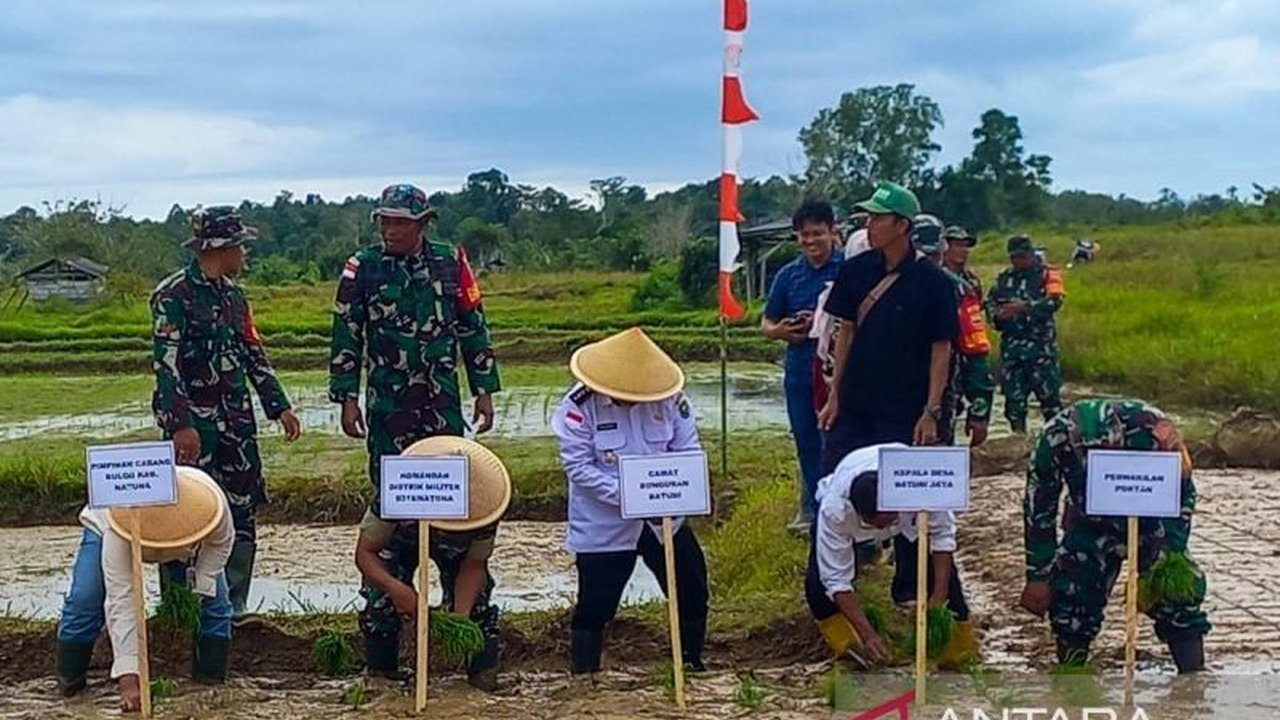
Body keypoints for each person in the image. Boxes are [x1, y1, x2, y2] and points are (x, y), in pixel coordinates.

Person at [329, 183, 503, 680]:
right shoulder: (362, 267)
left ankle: (471, 645)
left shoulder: (453, 262)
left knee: (458, 521)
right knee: (392, 526)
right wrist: (346, 396)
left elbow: (474, 325)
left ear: (424, 223)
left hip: (442, 411)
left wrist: (484, 388)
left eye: (400, 222)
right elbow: (346, 332)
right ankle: (384, 668)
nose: (389, 229)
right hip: (388, 416)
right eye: (384, 221)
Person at [150, 206, 302, 618]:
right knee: (184, 515)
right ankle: (180, 608)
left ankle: (231, 607)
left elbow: (254, 354)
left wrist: (280, 406)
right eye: (242, 247)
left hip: (236, 425)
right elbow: (166, 365)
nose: (246, 256)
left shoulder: (234, 296)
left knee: (241, 510)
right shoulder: (173, 295)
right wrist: (180, 426)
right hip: (194, 428)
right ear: (222, 247)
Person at [550, 327, 710, 674]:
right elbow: (579, 467)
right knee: (596, 604)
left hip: (665, 516)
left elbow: (687, 449)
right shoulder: (577, 408)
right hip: (605, 520)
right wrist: (632, 497)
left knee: (692, 589)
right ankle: (585, 678)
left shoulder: (670, 399)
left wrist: (670, 494)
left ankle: (691, 665)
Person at [1020, 399, 1209, 672]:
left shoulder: (1154, 428)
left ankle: (1193, 679)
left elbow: (1184, 490)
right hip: (1088, 522)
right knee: (1071, 599)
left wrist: (1171, 552)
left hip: (1150, 516)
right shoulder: (1054, 437)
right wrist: (1038, 574)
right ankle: (1072, 678)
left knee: (1177, 593)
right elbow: (1039, 508)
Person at [57, 467, 234, 712]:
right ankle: (71, 686)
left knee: (216, 605)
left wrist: (201, 588)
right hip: (113, 529)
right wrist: (130, 680)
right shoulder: (115, 525)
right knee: (84, 600)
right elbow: (122, 599)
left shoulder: (211, 506)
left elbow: (220, 546)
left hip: (189, 543)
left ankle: (210, 685)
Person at [818, 182, 957, 469]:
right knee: (839, 485)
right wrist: (834, 395)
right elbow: (846, 332)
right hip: (854, 405)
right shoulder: (855, 270)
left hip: (904, 409)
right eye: (868, 218)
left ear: (902, 225)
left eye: (879, 218)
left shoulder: (935, 283)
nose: (870, 225)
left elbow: (941, 350)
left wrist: (931, 412)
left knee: (897, 498)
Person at [353, 436, 509, 690]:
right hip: (400, 542)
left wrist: (460, 619)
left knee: (477, 605)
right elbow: (365, 554)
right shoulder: (397, 490)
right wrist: (397, 589)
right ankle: (382, 672)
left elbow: (473, 565)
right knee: (380, 597)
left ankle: (482, 674)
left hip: (457, 549)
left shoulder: (486, 508)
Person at [805, 443, 977, 669]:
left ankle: (957, 653)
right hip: (847, 492)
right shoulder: (835, 512)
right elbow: (836, 580)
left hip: (910, 504)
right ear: (862, 516)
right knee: (817, 588)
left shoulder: (919, 485)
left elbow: (943, 536)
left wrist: (938, 596)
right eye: (880, 523)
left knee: (945, 587)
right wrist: (868, 635)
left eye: (892, 518)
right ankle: (853, 650)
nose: (888, 525)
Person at [761, 200, 843, 530]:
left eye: (817, 234)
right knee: (806, 442)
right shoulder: (788, 275)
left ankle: (844, 512)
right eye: (804, 236)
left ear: (832, 232)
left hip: (838, 372)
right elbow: (766, 322)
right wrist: (781, 331)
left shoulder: (850, 268)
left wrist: (824, 323)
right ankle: (817, 509)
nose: (810, 242)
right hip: (798, 369)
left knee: (836, 442)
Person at [919, 226, 995, 447]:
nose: (963, 250)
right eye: (957, 244)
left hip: (941, 392)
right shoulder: (890, 280)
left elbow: (975, 348)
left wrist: (980, 409)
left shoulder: (964, 288)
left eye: (965, 245)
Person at [984, 235, 1065, 434]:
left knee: (1051, 403)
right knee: (1014, 404)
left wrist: (1024, 308)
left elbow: (1055, 301)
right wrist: (998, 315)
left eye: (1023, 256)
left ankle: (1056, 443)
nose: (1019, 261)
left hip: (1041, 351)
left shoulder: (1047, 275)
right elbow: (990, 303)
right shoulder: (1005, 278)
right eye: (1015, 257)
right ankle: (1018, 441)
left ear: (1031, 254)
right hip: (1012, 352)